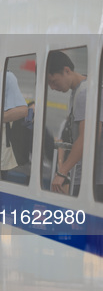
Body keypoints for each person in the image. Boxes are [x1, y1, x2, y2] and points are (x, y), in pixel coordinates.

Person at [46, 50, 87, 195]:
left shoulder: (84, 93)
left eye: (53, 81)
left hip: (91, 178)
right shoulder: (77, 91)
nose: (52, 87)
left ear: (66, 71)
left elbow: (86, 137)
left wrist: (62, 172)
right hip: (82, 174)